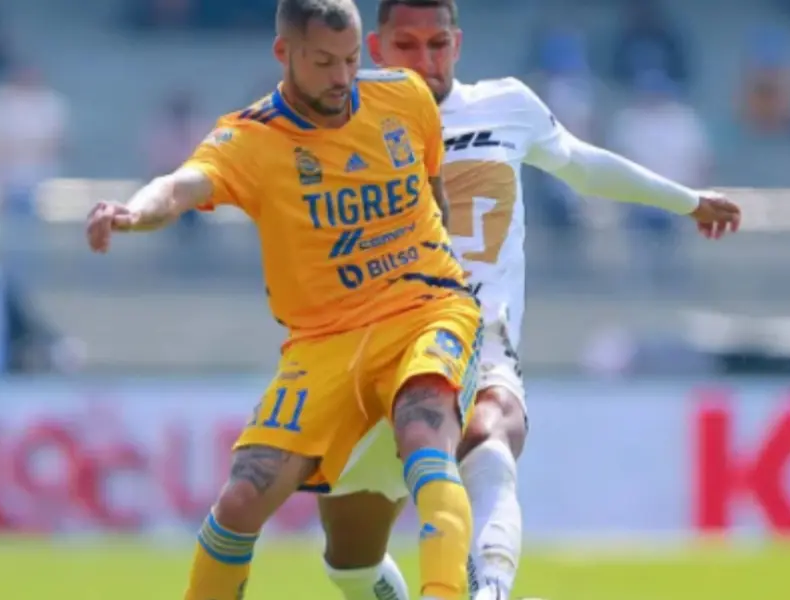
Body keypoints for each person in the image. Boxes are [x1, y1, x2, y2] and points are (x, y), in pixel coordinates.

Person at [317, 2, 743, 600]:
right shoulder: (337, 116)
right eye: (407, 46)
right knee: (349, 564)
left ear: (457, 44)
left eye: (437, 43)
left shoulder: (506, 104)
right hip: (376, 350)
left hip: (478, 338)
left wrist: (686, 200)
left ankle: (490, 589)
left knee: (492, 435)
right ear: (378, 51)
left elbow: (582, 166)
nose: (425, 60)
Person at [85, 1, 480, 598]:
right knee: (243, 498)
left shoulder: (404, 97)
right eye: (323, 62)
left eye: (350, 60)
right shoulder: (251, 138)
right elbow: (181, 185)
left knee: (424, 432)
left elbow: (434, 196)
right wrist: (133, 212)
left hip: (425, 309)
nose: (342, 78)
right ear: (284, 53)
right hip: (322, 343)